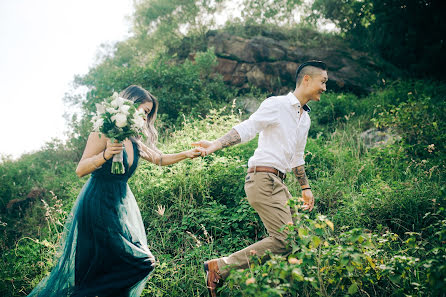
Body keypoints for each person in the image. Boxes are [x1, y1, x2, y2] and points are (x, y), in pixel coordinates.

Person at [28, 85, 202, 297]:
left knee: (111, 265)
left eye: (148, 114)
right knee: (133, 263)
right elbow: (80, 169)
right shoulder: (105, 132)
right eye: (144, 111)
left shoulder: (134, 141)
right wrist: (106, 155)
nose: (146, 118)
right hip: (97, 204)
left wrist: (188, 153)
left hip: (118, 207)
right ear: (128, 104)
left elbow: (160, 159)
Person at [193, 61, 328, 297]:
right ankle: (220, 267)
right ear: (307, 79)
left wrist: (305, 187)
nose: (325, 88)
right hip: (262, 179)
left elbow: (297, 156)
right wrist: (215, 144)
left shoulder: (304, 118)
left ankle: (277, 289)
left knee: (296, 241)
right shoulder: (277, 104)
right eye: (323, 82)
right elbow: (248, 127)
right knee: (285, 240)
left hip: (279, 183)